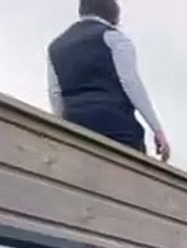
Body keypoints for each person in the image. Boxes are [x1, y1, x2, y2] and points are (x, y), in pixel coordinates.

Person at [47, 0, 171, 161]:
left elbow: (55, 94)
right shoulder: (114, 37)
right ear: (114, 14)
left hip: (75, 122)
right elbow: (131, 82)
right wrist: (157, 130)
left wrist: (64, 127)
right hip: (115, 126)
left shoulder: (55, 46)